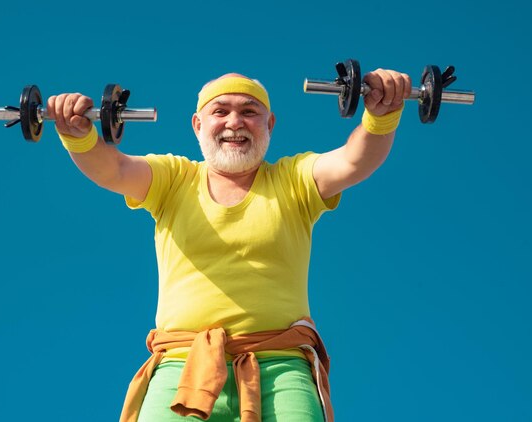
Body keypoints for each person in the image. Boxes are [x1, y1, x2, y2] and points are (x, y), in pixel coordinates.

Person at [47, 69, 411, 422]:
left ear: (269, 125)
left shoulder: (293, 179)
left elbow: (353, 161)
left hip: (283, 369)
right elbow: (115, 171)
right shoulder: (174, 179)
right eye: (220, 111)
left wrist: (381, 115)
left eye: (249, 112)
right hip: (183, 366)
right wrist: (78, 135)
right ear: (198, 125)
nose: (235, 122)